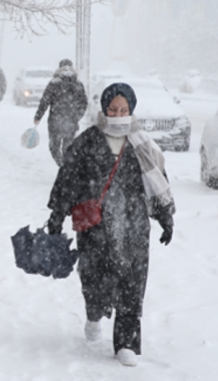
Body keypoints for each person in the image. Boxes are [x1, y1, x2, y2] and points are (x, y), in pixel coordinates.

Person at [45, 82, 175, 367]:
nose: (118, 115)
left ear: (132, 110)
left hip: (133, 223)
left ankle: (126, 342)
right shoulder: (88, 141)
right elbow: (67, 180)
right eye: (113, 109)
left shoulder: (141, 143)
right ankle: (94, 312)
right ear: (104, 110)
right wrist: (56, 217)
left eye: (124, 109)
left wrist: (166, 216)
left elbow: (158, 182)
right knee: (95, 279)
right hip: (95, 225)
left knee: (132, 281)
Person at [33, 59, 88, 165]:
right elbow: (84, 103)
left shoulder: (54, 83)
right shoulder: (78, 83)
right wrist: (77, 116)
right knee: (68, 148)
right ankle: (67, 168)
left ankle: (62, 165)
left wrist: (38, 116)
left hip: (55, 122)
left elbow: (45, 101)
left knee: (54, 147)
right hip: (71, 122)